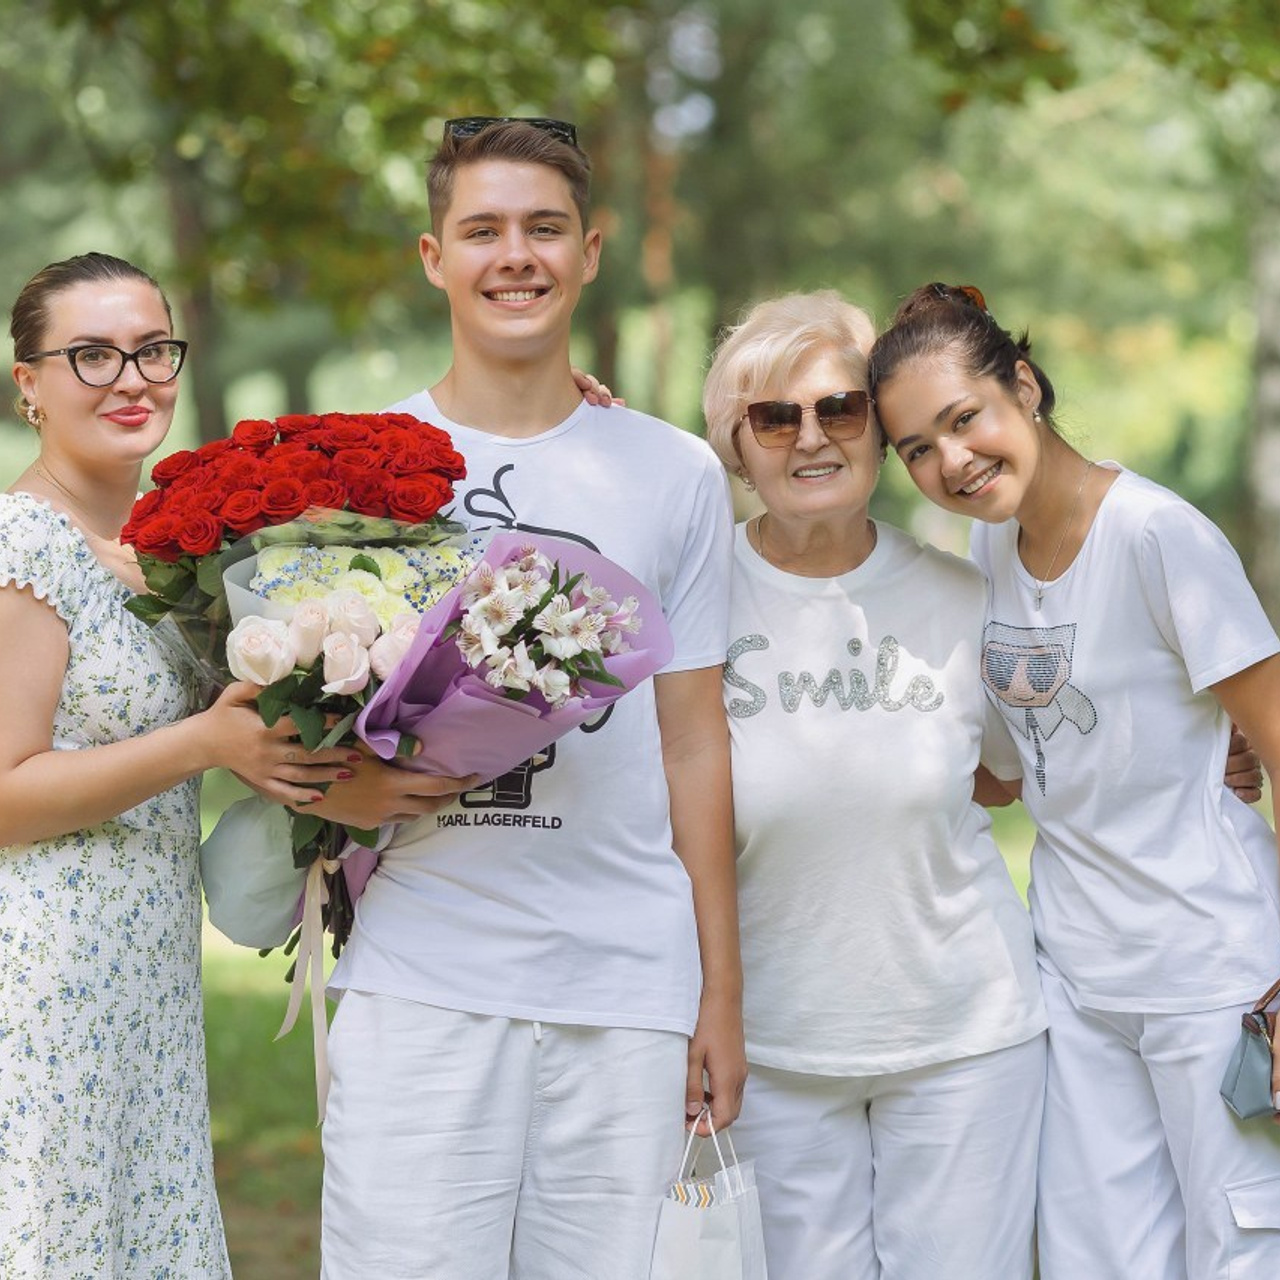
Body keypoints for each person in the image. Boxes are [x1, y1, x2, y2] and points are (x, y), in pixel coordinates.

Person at [310, 118, 746, 1280]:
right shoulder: (360, 467)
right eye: (483, 229)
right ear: (432, 255)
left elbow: (695, 745)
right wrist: (337, 781)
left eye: (544, 228)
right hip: (422, 976)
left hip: (625, 984)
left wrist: (718, 993)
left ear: (590, 250)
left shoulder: (671, 471)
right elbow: (283, 719)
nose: (516, 254)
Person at [869, 282, 1280, 1278]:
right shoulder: (988, 544)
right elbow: (1007, 776)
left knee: (1239, 1249)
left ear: (1024, 384)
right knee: (1101, 1257)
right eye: (916, 447)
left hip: (1210, 972)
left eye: (962, 419)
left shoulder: (1154, 534)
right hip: (1074, 975)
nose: (949, 462)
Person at [0, 253, 356, 1275]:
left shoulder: (165, 548)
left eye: (152, 349)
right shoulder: (26, 547)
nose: (132, 377)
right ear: (29, 382)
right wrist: (203, 743)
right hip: (45, 979)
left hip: (143, 976)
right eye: (91, 355)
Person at [696, 290, 1047, 1278]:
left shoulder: (960, 596)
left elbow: (1006, 775)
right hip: (768, 1046)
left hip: (965, 1034)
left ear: (879, 428)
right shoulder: (691, 600)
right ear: (735, 445)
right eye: (773, 417)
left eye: (839, 408)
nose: (809, 437)